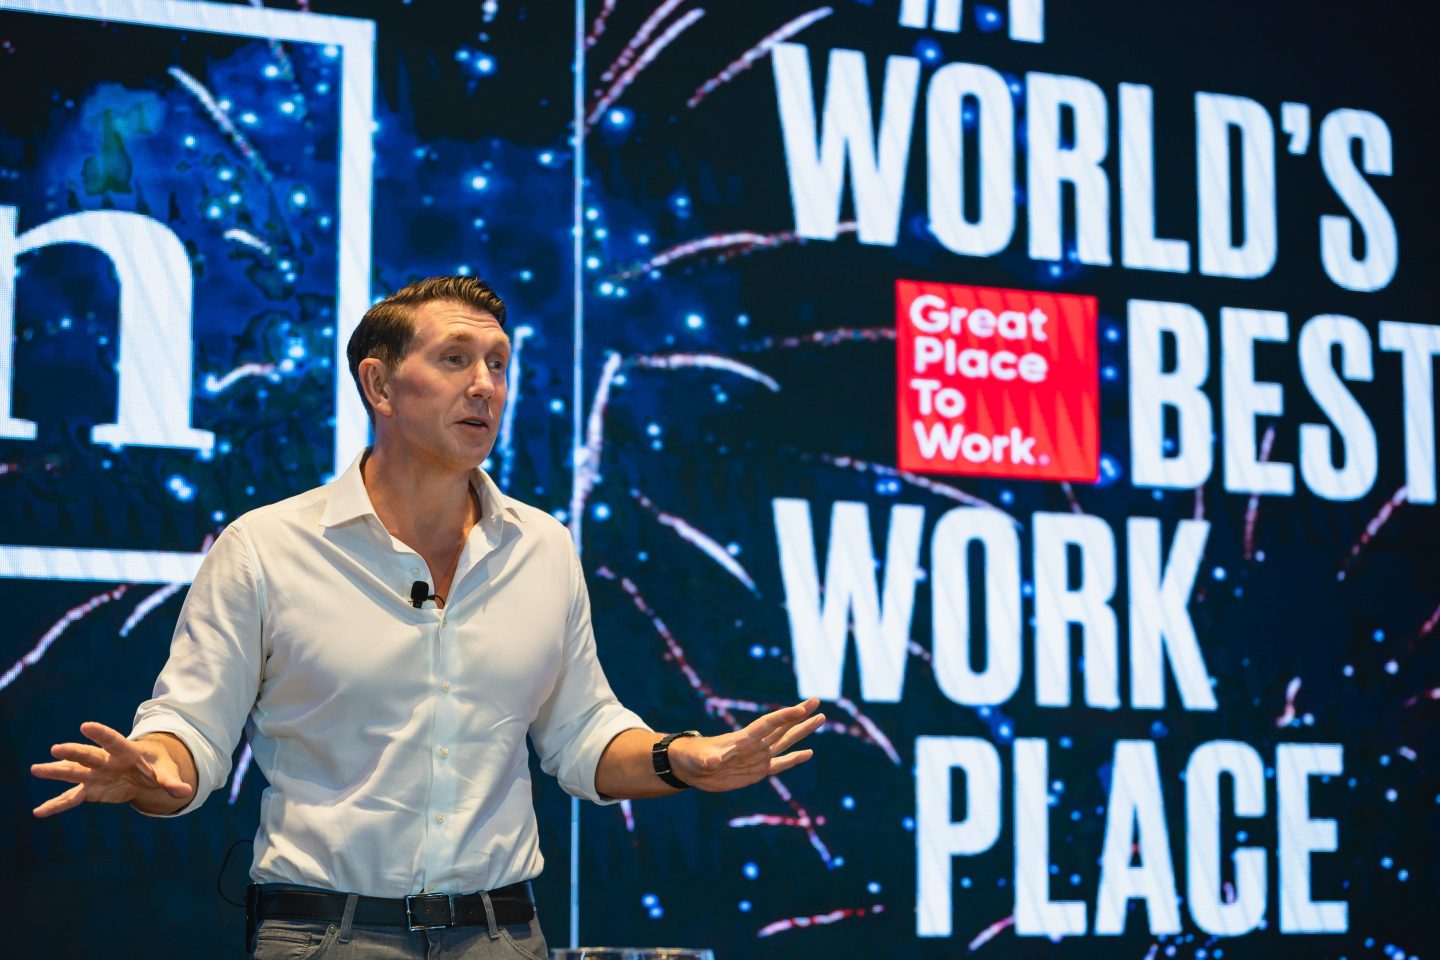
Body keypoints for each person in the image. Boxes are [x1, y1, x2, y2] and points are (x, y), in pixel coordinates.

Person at [30, 276, 824, 959]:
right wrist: (152, 775)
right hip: (326, 935)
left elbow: (582, 735)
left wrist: (684, 757)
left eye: (499, 366)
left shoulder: (542, 547)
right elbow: (191, 729)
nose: (486, 385)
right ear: (379, 385)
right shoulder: (267, 547)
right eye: (455, 360)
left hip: (502, 934)